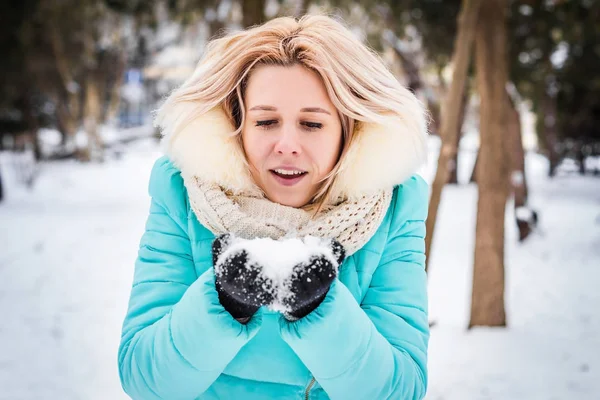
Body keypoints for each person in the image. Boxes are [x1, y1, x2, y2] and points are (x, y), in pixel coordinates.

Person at [118, 14, 430, 400]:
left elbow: (402, 389)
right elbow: (142, 378)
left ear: (348, 131)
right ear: (238, 124)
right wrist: (222, 302)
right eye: (266, 121)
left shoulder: (392, 207)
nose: (286, 145)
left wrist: (321, 310)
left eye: (312, 125)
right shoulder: (184, 192)